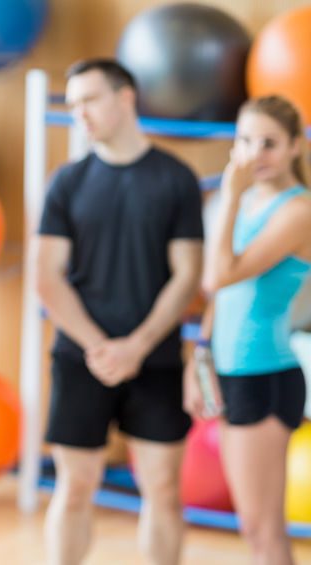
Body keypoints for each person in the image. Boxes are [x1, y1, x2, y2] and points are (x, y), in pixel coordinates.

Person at [35, 58, 204, 565]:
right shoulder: (67, 182)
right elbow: (47, 276)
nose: (79, 113)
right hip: (80, 356)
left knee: (163, 490)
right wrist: (97, 346)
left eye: (90, 99)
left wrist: (137, 345)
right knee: (75, 486)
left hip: (154, 359)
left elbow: (188, 274)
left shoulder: (176, 178)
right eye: (73, 103)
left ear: (126, 98)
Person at [185, 95, 311, 565]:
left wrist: (231, 196)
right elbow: (218, 296)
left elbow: (220, 274)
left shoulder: (298, 211)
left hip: (267, 375)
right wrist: (199, 360)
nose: (255, 154)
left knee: (264, 528)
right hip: (233, 371)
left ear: (296, 147)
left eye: (269, 143)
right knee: (251, 526)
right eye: (245, 140)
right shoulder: (238, 202)